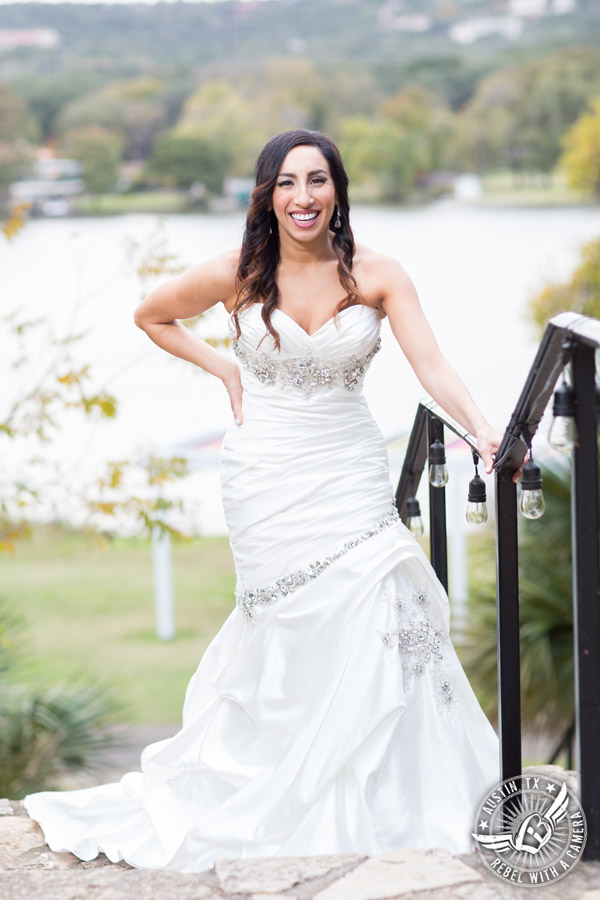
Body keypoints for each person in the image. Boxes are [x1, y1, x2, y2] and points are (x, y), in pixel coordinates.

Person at [23, 129, 516, 873]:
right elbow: (151, 315)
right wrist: (222, 367)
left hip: (347, 466)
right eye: (287, 183)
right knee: (290, 623)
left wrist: (484, 430)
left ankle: (401, 793)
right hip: (266, 473)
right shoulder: (238, 273)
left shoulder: (380, 274)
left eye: (318, 181)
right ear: (268, 195)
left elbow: (432, 364)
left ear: (338, 191)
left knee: (387, 598)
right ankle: (281, 780)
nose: (304, 197)